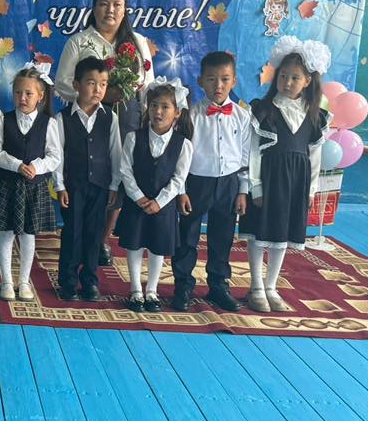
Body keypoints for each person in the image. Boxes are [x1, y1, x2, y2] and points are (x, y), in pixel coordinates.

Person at [53, 0, 155, 265]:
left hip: (128, 115)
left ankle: (102, 240)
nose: (110, 10)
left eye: (117, 4)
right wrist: (98, 95)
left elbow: (148, 84)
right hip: (90, 115)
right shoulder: (79, 42)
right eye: (104, 3)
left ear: (125, 10)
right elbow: (62, 83)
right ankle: (80, 237)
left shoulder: (138, 42)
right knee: (91, 174)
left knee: (119, 175)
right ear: (94, 8)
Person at [238, 36, 330, 312]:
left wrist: (311, 190)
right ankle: (256, 286)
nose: (287, 82)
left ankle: (271, 286)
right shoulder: (263, 110)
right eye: (283, 76)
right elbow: (254, 151)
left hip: (296, 182)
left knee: (282, 235)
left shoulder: (315, 116)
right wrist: (255, 186)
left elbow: (314, 156)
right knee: (259, 233)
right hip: (269, 180)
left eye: (294, 78)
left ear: (307, 81)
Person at [172, 52, 250, 312]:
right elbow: (181, 157)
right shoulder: (191, 116)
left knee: (222, 236)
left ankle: (219, 285)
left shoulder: (242, 116)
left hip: (228, 183)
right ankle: (183, 285)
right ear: (200, 81)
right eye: (211, 79)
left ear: (234, 81)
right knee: (187, 235)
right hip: (196, 183)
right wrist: (181, 190)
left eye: (225, 79)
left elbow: (245, 156)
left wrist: (243, 190)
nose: (218, 85)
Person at [0, 62, 61, 302]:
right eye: (18, 92)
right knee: (6, 234)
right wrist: (16, 165)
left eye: (28, 93)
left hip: (34, 188)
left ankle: (24, 281)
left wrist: (37, 167)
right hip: (8, 185)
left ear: (40, 96)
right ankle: (6, 281)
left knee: (28, 234)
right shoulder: (1, 122)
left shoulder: (49, 124)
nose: (22, 98)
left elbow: (55, 156)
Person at [115, 77, 194, 313]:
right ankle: (135, 290)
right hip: (136, 203)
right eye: (154, 105)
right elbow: (125, 171)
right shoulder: (133, 138)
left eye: (165, 107)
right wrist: (138, 197)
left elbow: (179, 179)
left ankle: (152, 290)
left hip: (163, 206)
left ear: (177, 112)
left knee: (158, 246)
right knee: (135, 244)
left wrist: (160, 202)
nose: (158, 111)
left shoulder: (183, 145)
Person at [53, 57, 123, 302]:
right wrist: (60, 185)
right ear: (76, 85)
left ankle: (90, 281)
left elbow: (115, 152)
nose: (97, 89)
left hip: (100, 185)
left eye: (103, 84)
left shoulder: (110, 118)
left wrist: (114, 184)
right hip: (73, 186)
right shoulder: (62, 118)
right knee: (73, 232)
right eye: (91, 83)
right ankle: (68, 281)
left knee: (94, 234)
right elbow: (58, 155)